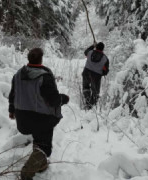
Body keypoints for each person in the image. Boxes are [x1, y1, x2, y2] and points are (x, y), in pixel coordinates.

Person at [8, 48, 69, 180]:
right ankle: (27, 171)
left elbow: (13, 94)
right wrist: (64, 98)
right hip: (41, 119)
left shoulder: (18, 74)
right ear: (41, 59)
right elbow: (53, 100)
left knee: (39, 137)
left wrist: (11, 110)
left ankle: (41, 164)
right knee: (44, 146)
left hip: (22, 119)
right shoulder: (44, 76)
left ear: (29, 58)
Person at [82, 42, 109, 110]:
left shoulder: (90, 52)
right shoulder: (105, 59)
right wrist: (100, 72)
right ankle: (91, 107)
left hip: (86, 73)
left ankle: (87, 102)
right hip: (96, 76)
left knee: (86, 88)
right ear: (103, 49)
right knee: (95, 92)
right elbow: (105, 71)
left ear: (96, 47)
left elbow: (85, 52)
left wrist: (92, 46)